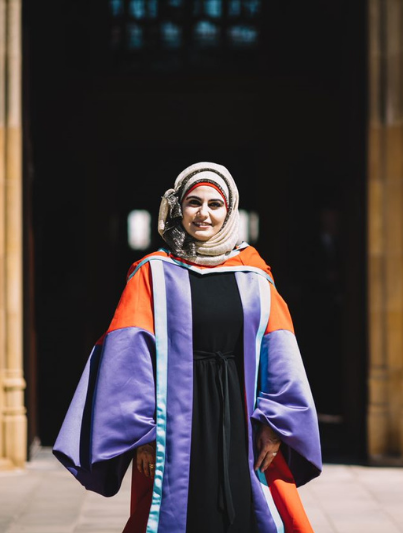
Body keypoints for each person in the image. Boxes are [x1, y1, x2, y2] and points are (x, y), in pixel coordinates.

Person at [53, 162, 322, 533]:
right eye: (194, 203)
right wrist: (141, 435)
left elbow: (280, 355)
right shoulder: (152, 273)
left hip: (240, 417)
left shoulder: (255, 274)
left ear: (230, 211)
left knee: (245, 511)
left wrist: (274, 424)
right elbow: (128, 360)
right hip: (173, 421)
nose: (204, 214)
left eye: (215, 204)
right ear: (178, 208)